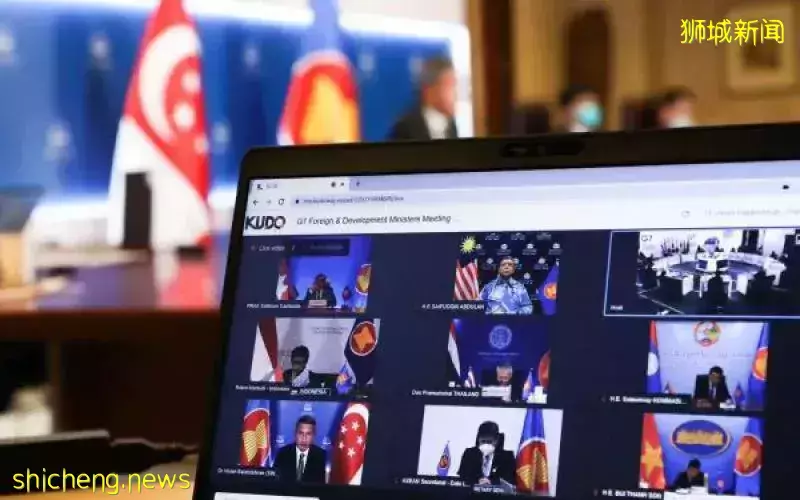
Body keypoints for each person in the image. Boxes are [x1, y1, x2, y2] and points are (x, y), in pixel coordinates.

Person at [388, 56, 458, 141]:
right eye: (449, 85)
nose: (456, 93)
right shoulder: (404, 128)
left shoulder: (451, 126)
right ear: (428, 89)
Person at [457, 421, 515, 486]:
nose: (486, 445)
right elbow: (463, 477)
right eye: (483, 441)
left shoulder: (507, 457)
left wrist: (490, 482)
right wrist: (477, 481)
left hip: (496, 491)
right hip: (472, 490)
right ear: (478, 439)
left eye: (490, 442)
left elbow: (508, 479)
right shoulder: (469, 453)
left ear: (497, 440)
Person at [273, 415, 327, 483]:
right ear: (295, 434)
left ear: (313, 436)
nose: (304, 438)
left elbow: (320, 485)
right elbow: (275, 482)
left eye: (308, 434)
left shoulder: (320, 456)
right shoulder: (283, 453)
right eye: (301, 433)